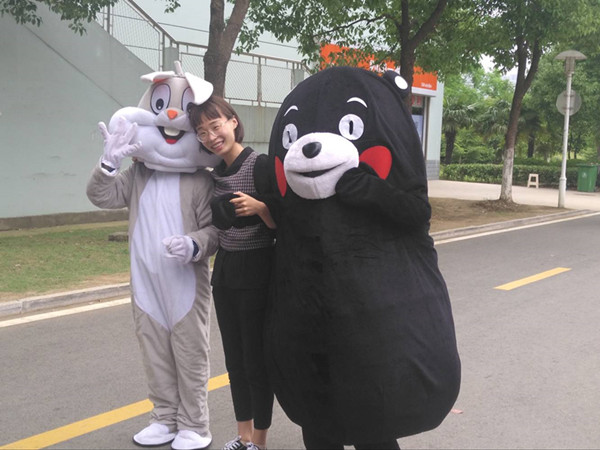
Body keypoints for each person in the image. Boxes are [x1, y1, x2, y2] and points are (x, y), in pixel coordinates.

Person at [86, 64, 219, 450]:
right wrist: (108, 165)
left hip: (185, 283)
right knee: (154, 351)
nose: (172, 116)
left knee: (189, 353)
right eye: (162, 108)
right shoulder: (138, 175)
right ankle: (164, 417)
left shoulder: (201, 180)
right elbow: (102, 196)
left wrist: (193, 244)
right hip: (145, 281)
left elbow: (214, 232)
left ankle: (194, 424)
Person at [188, 96, 276, 450]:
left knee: (256, 360)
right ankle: (243, 436)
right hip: (225, 271)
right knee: (235, 361)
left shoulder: (260, 165)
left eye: (215, 126)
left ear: (233, 122)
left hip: (258, 270)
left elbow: (286, 221)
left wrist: (261, 207)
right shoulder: (214, 176)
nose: (211, 137)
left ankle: (260, 441)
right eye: (202, 132)